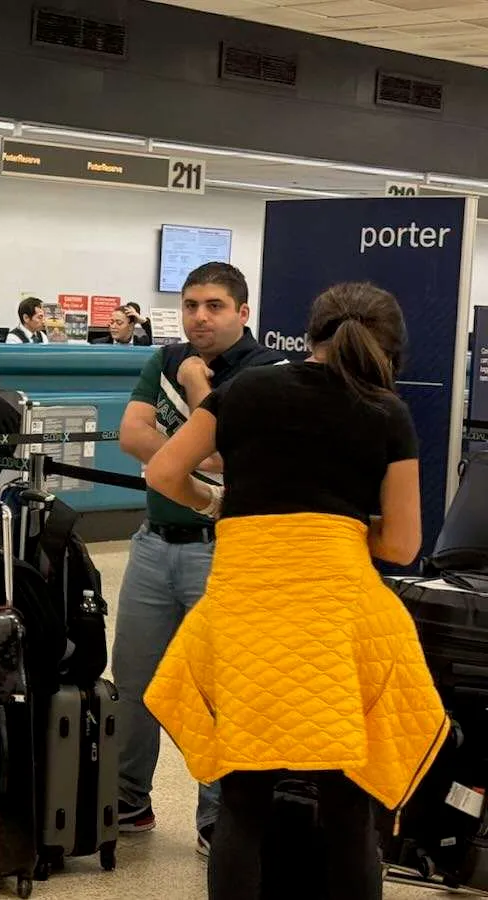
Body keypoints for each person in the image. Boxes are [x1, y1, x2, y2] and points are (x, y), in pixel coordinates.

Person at [143, 282, 449, 900]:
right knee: (347, 806)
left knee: (243, 800)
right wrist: (334, 528)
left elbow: (164, 471)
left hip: (244, 616)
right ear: (388, 349)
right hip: (335, 627)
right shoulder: (386, 411)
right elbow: (401, 547)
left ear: (309, 336)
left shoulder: (246, 390)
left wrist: (215, 502)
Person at [112, 262, 286, 855]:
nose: (199, 317)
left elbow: (244, 454)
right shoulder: (161, 359)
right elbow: (132, 434)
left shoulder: (268, 373)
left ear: (243, 312)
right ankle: (129, 799)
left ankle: (217, 816)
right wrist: (200, 456)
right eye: (190, 306)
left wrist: (193, 390)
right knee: (136, 680)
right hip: (154, 542)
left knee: (218, 687)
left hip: (224, 553)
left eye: (214, 306)